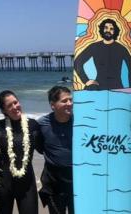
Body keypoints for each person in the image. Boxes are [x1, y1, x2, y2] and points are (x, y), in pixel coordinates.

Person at [0, 90, 39, 214]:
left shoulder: (33, 125)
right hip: (4, 183)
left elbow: (43, 147)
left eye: (16, 102)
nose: (15, 106)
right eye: (10, 105)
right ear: (3, 111)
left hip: (27, 184)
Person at [36, 86, 74, 214]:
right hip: (54, 182)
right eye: (64, 101)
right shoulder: (42, 124)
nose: (69, 103)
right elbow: (39, 146)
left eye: (70, 100)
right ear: (53, 105)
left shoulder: (80, 122)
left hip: (77, 180)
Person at [74, 18, 131, 90]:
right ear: (102, 29)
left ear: (115, 31)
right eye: (106, 28)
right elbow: (77, 62)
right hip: (98, 86)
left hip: (116, 86)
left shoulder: (121, 48)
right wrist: (85, 80)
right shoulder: (94, 47)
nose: (108, 31)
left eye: (111, 29)